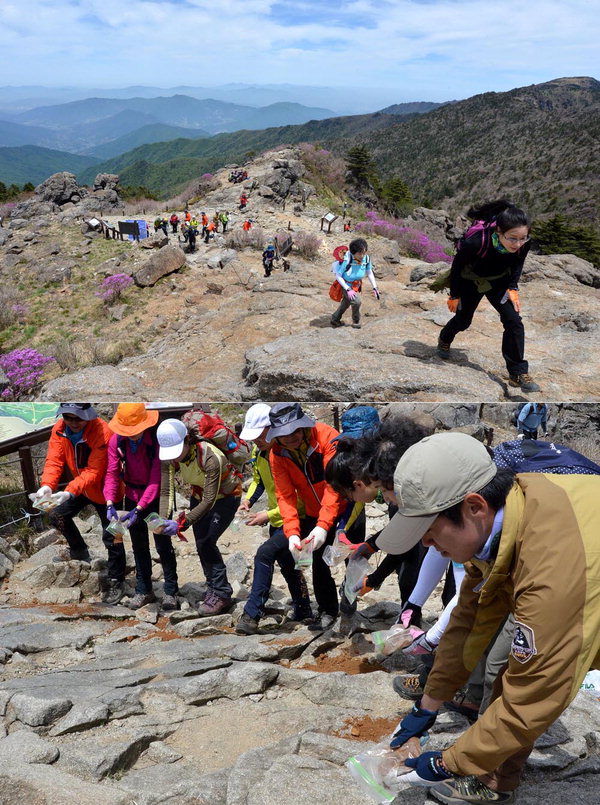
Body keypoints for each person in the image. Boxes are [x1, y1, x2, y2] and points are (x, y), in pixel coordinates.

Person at [378, 432, 600, 804]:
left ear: (475, 507)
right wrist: (428, 704)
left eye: (429, 532)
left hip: (582, 580)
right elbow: (468, 624)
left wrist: (451, 762)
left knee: (520, 681)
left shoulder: (554, 566)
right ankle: (495, 782)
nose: (426, 546)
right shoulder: (509, 515)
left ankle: (490, 778)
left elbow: (535, 694)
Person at [437, 200, 539, 392]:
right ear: (499, 232)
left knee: (514, 321)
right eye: (512, 238)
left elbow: (518, 264)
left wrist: (513, 287)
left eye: (523, 238)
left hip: (498, 282)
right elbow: (458, 266)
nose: (518, 244)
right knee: (463, 320)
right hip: (471, 280)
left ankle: (517, 372)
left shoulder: (524, 243)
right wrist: (454, 294)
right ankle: (445, 338)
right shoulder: (477, 241)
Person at [267, 403, 347, 631]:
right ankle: (328, 610)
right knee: (319, 563)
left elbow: (334, 485)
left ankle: (351, 609)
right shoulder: (277, 454)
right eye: (284, 433)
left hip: (347, 506)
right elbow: (285, 495)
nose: (291, 437)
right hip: (313, 512)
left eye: (295, 430)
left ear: (303, 426)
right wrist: (292, 533)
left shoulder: (327, 437)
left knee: (353, 559)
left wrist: (323, 526)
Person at [235, 404, 313, 635]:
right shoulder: (259, 452)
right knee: (289, 566)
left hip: (296, 519)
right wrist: (247, 500)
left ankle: (251, 615)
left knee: (265, 554)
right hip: (276, 518)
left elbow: (298, 499)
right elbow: (258, 480)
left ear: (271, 429)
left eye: (259, 436)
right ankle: (304, 609)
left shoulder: (286, 454)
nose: (255, 441)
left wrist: (266, 515)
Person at [156, 417, 242, 616]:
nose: (174, 458)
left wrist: (181, 524)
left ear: (187, 440)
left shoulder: (211, 457)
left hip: (226, 498)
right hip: (199, 495)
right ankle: (213, 587)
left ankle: (222, 593)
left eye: (178, 451)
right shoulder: (168, 457)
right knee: (201, 543)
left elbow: (210, 500)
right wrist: (161, 520)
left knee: (208, 541)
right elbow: (166, 492)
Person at [33, 404, 122, 585]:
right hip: (82, 487)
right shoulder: (59, 429)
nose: (73, 422)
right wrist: (47, 486)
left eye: (78, 418)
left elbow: (95, 471)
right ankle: (79, 551)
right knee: (55, 514)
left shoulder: (102, 431)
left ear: (88, 415)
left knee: (113, 536)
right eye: (68, 417)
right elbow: (54, 461)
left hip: (108, 491)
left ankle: (116, 578)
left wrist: (70, 491)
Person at [104, 403, 179, 610]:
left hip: (156, 497)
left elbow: (157, 479)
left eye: (135, 431)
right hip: (131, 495)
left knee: (162, 544)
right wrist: (110, 502)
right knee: (138, 545)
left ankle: (171, 591)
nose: (132, 435)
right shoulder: (116, 441)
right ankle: (144, 589)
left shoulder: (156, 440)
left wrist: (140, 509)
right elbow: (111, 473)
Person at [330, 238, 380, 329]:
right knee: (356, 301)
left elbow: (369, 272)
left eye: (364, 253)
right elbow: (338, 276)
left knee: (346, 302)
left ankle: (335, 319)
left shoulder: (366, 259)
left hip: (356, 285)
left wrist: (375, 287)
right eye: (360, 253)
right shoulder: (346, 260)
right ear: (353, 252)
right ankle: (356, 321)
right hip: (346, 284)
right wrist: (348, 289)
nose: (362, 256)